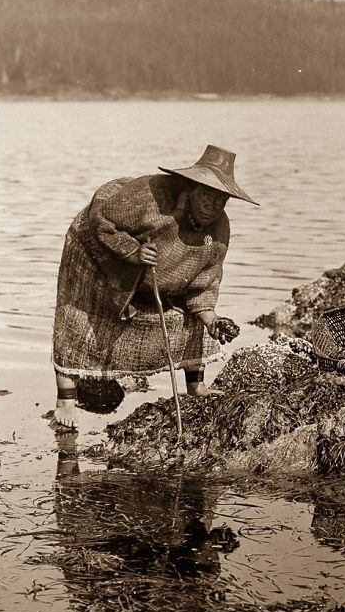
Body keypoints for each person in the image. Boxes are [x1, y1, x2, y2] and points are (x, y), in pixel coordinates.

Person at [52, 144, 258, 430]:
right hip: (94, 249)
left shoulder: (218, 232)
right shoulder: (151, 197)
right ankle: (66, 400)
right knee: (78, 316)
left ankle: (196, 386)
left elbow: (203, 285)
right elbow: (102, 216)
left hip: (149, 272)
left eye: (220, 200)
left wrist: (213, 320)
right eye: (207, 197)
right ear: (189, 188)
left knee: (185, 318)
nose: (212, 207)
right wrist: (131, 252)